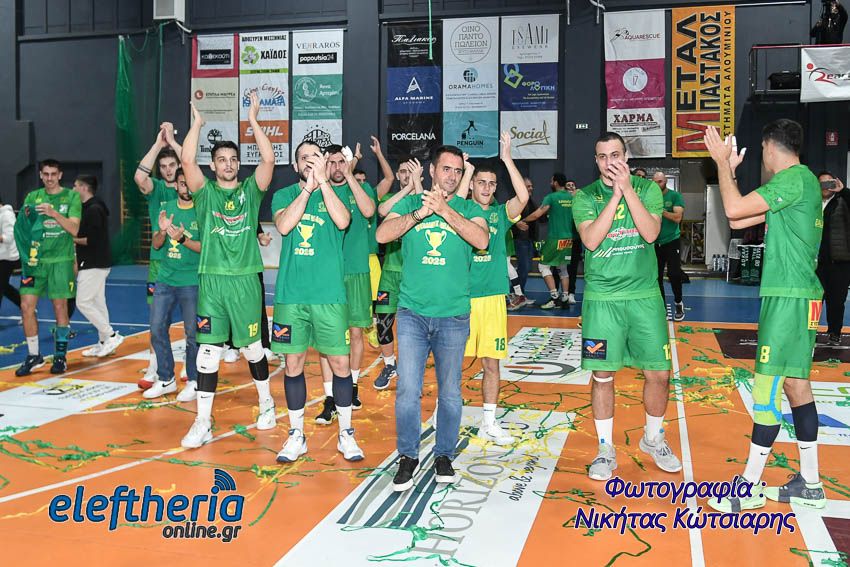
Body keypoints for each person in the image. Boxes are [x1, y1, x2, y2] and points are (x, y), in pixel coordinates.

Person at [704, 120, 826, 512]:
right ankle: (810, 484)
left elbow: (732, 208)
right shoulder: (801, 184)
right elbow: (738, 220)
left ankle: (748, 487)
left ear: (770, 147)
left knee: (766, 390)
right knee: (796, 386)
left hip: (788, 298)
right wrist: (730, 174)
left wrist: (721, 163)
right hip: (800, 296)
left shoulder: (792, 180)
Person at [377, 145, 489, 492]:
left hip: (453, 316)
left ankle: (444, 455)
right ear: (432, 170)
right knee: (407, 391)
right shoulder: (413, 203)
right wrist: (420, 214)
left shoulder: (469, 208)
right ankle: (408, 456)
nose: (452, 176)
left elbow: (481, 240)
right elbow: (382, 234)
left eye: (458, 171)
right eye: (446, 169)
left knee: (451, 393)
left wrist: (445, 211)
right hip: (412, 314)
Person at [573, 132, 682, 482]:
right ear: (596, 160)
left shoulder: (648, 189)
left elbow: (650, 233)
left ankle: (653, 438)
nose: (610, 162)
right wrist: (615, 196)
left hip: (644, 298)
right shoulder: (585, 196)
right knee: (602, 376)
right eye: (603, 156)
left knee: (659, 374)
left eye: (615, 155)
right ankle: (605, 449)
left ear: (626, 158)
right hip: (603, 301)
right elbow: (591, 240)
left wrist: (627, 190)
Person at [178, 92, 275, 449]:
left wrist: (253, 120)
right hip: (212, 280)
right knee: (208, 350)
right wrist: (197, 125)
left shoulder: (251, 190)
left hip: (245, 279)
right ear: (214, 165)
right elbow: (186, 159)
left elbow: (268, 159)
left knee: (252, 347)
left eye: (233, 159)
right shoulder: (204, 193)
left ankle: (267, 403)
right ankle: (203, 421)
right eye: (222, 159)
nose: (229, 164)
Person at [271, 140, 364, 463]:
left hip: (329, 297)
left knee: (340, 365)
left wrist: (322, 183)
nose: (309, 161)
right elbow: (284, 225)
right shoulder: (284, 195)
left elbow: (343, 222)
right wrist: (307, 189)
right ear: (295, 166)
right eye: (303, 158)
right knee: (293, 364)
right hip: (291, 297)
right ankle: (296, 435)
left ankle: (346, 433)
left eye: (314, 156)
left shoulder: (335, 193)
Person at [457, 132, 528, 444]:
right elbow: (455, 201)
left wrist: (507, 159)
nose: (486, 188)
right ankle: (448, 414)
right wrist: (466, 172)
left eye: (491, 184)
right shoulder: (459, 210)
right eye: (481, 183)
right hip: (460, 298)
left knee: (491, 363)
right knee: (451, 363)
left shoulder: (500, 214)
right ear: (472, 185)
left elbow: (523, 198)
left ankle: (489, 421)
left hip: (492, 300)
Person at [315, 144, 376, 420]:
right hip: (327, 275)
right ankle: (330, 397)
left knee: (355, 333)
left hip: (356, 271)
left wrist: (351, 175)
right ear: (324, 165)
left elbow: (369, 211)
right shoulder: (318, 191)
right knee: (326, 339)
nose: (337, 167)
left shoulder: (360, 188)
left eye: (342, 161)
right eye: (332, 162)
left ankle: (351, 386)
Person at [15, 159, 81, 376]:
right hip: (35, 262)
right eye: (46, 174)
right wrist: (25, 253)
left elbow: (74, 229)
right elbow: (23, 227)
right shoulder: (32, 197)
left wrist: (54, 213)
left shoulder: (71, 197)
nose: (50, 178)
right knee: (26, 306)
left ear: (60, 175)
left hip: (60, 261)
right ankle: (33, 355)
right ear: (41, 175)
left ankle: (60, 356)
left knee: (60, 307)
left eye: (54, 174)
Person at [143, 169, 201, 402]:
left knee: (192, 334)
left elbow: (205, 248)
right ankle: (166, 378)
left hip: (192, 281)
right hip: (165, 279)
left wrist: (182, 239)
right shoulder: (166, 208)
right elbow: (157, 244)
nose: (186, 188)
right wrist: (162, 230)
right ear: (176, 185)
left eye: (189, 184)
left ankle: (195, 380)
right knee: (156, 328)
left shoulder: (202, 209)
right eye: (182, 184)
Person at [134, 123, 182, 388]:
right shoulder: (156, 190)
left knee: (193, 319)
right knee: (157, 319)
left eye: (172, 165)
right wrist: (158, 144)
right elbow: (138, 178)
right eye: (163, 166)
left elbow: (191, 164)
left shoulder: (188, 187)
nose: (168, 170)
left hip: (187, 261)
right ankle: (154, 368)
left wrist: (173, 142)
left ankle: (192, 366)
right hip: (159, 262)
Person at [372, 158, 423, 390]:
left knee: (416, 327)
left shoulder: (425, 198)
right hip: (390, 272)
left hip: (415, 273)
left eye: (411, 172)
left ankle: (412, 371)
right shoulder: (391, 199)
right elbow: (382, 211)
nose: (406, 175)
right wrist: (408, 188)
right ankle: (390, 365)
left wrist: (416, 186)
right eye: (403, 171)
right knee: (383, 322)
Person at [72, 175, 124, 357]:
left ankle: (111, 335)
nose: (73, 189)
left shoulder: (93, 210)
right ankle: (104, 343)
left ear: (84, 188)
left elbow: (91, 240)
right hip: (97, 262)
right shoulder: (92, 207)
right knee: (98, 303)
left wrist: (71, 239)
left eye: (75, 186)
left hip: (93, 263)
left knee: (83, 302)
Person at [521, 173, 575, 309]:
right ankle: (565, 298)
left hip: (555, 238)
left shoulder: (551, 197)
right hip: (568, 238)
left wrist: (523, 220)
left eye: (551, 181)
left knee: (543, 266)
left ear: (555, 182)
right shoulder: (571, 197)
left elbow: (537, 214)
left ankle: (554, 297)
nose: (550, 183)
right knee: (563, 268)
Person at [817, 171, 850, 345]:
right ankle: (809, 331)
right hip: (815, 262)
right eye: (821, 183)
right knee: (813, 300)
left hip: (839, 262)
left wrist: (843, 191)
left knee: (837, 300)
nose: (825, 187)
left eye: (829, 183)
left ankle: (835, 333)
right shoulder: (810, 204)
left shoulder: (843, 201)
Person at [653, 172, 686, 322]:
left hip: (672, 240)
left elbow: (677, 218)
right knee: (656, 276)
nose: (657, 184)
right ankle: (661, 307)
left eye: (660, 181)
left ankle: (678, 303)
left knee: (674, 274)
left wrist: (661, 211)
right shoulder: (650, 197)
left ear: (665, 181)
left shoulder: (674, 196)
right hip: (655, 242)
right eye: (655, 182)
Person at [511, 177, 539, 298]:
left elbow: (540, 217)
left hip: (529, 240)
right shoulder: (515, 201)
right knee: (524, 267)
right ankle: (516, 294)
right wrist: (516, 223)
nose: (531, 188)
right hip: (520, 240)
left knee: (525, 268)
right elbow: (507, 217)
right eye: (528, 186)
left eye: (531, 186)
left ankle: (518, 293)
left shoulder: (531, 202)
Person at [0, 200, 21, 314]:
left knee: (2, 286)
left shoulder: (7, 215)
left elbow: (9, 237)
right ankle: (25, 306)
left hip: (8, 258)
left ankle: (26, 307)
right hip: (2, 256)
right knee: (4, 287)